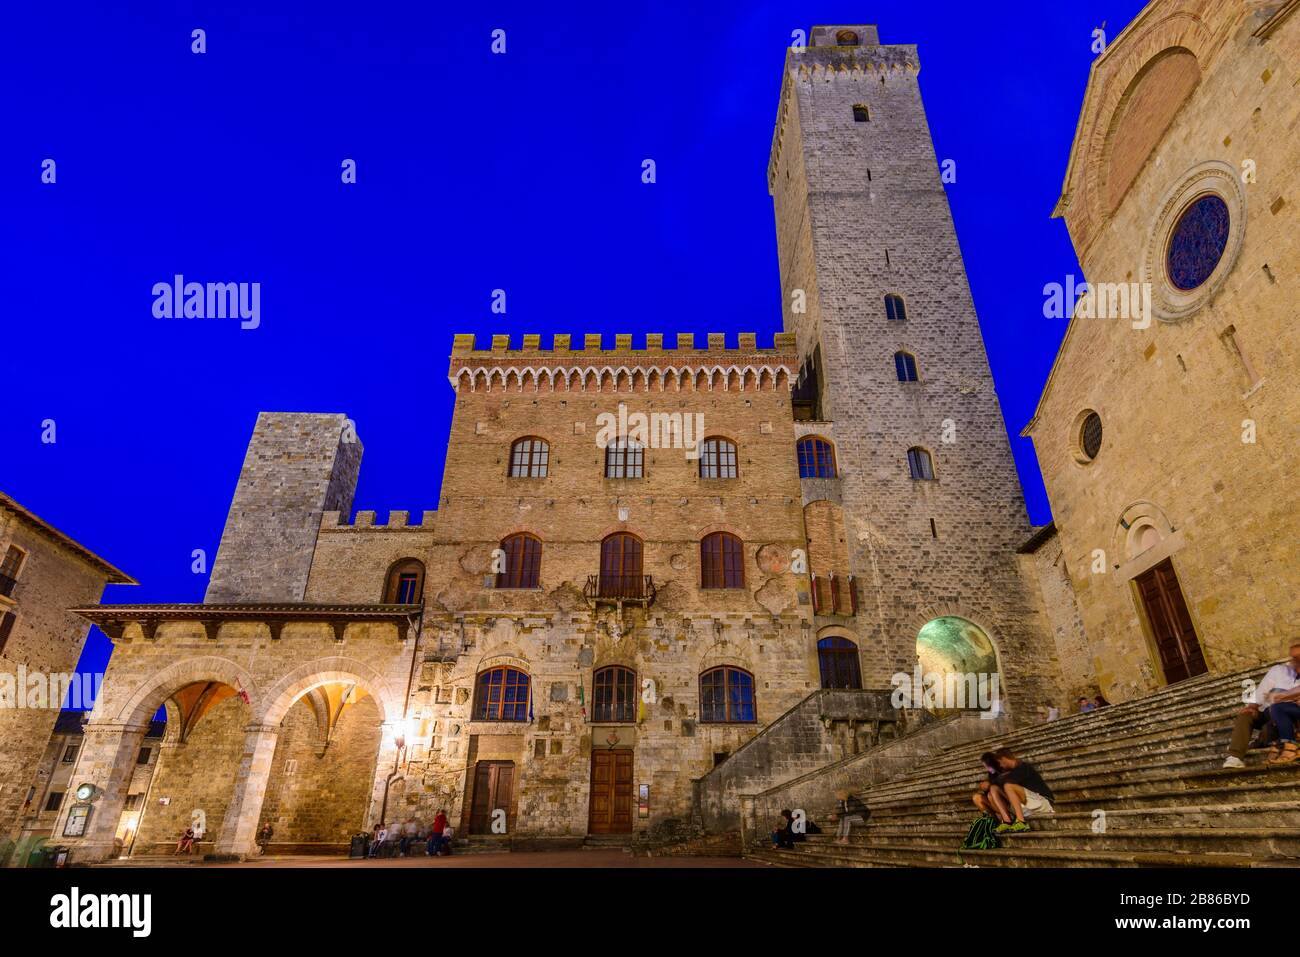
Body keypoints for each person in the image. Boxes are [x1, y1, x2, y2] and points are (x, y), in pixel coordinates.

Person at [1225, 642, 1300, 768]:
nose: (1294, 660)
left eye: (1298, 657)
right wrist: (1252, 706)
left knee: (1269, 729)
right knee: (1246, 716)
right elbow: (1262, 691)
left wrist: (1281, 697)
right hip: (1268, 711)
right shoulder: (1279, 670)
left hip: (1288, 716)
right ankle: (1235, 756)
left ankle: (1262, 742)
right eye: (1293, 657)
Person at [990, 747, 1054, 832]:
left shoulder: (1023, 767)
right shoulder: (1012, 772)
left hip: (1043, 802)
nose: (1000, 766)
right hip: (1029, 804)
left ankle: (1021, 822)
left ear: (1004, 759)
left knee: (1008, 786)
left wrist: (997, 778)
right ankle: (1007, 821)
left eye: (1000, 762)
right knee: (993, 789)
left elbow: (1005, 781)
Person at [971, 752, 1012, 826]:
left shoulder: (1004, 769)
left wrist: (990, 784)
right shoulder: (991, 773)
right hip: (995, 802)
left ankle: (1006, 819)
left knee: (991, 795)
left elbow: (1004, 785)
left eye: (987, 766)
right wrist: (985, 787)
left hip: (1006, 801)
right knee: (976, 797)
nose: (987, 768)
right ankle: (992, 822)